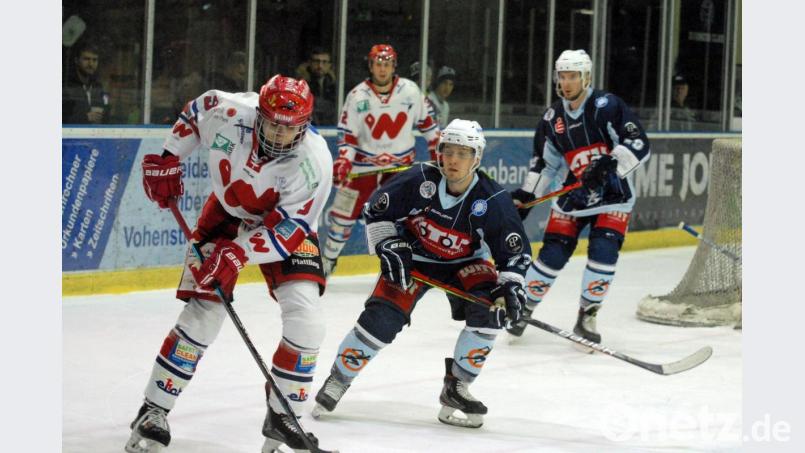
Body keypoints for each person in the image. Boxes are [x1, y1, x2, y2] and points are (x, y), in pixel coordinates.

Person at [124, 75, 333, 453]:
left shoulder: (314, 161)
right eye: (272, 124)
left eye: (291, 128)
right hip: (226, 214)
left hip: (281, 230)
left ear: (304, 125)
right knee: (204, 313)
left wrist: (238, 254)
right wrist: (170, 156)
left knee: (307, 318)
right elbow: (195, 112)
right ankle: (153, 409)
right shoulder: (230, 110)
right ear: (260, 115)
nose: (280, 135)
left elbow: (289, 229)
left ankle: (285, 416)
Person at [312, 119, 530, 428]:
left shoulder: (494, 199)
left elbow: (514, 253)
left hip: (464, 263)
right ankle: (338, 379)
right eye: (448, 151)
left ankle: (458, 386)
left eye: (463, 153)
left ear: (477, 158)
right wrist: (387, 243)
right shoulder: (418, 179)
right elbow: (376, 211)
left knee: (489, 312)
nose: (453, 160)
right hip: (414, 259)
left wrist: (511, 285)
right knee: (381, 319)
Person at [507, 49, 651, 347]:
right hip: (574, 197)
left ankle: (588, 316)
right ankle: (524, 308)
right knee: (552, 254)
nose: (567, 82)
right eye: (563, 76)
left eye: (573, 75)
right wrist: (527, 195)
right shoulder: (552, 118)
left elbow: (638, 142)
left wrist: (611, 163)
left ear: (586, 77)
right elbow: (544, 163)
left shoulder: (606, 105)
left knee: (603, 251)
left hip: (613, 195)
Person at [321, 44, 440, 275]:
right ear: (371, 65)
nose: (382, 69)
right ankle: (328, 261)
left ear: (394, 66)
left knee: (406, 219)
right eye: (378, 64)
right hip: (362, 168)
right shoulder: (357, 95)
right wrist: (344, 160)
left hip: (399, 170)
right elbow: (348, 136)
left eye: (387, 64)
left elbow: (430, 126)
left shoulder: (411, 91)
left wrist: (437, 154)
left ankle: (408, 263)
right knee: (341, 216)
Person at [62, 42, 109, 124]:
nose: (91, 64)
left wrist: (105, 115)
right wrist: (84, 118)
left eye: (94, 60)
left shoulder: (97, 86)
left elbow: (105, 112)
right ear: (77, 60)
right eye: (86, 59)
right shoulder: (66, 86)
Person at [296, 47, 337, 125]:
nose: (320, 66)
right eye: (316, 61)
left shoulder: (335, 85)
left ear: (329, 65)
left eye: (324, 62)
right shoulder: (301, 85)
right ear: (309, 63)